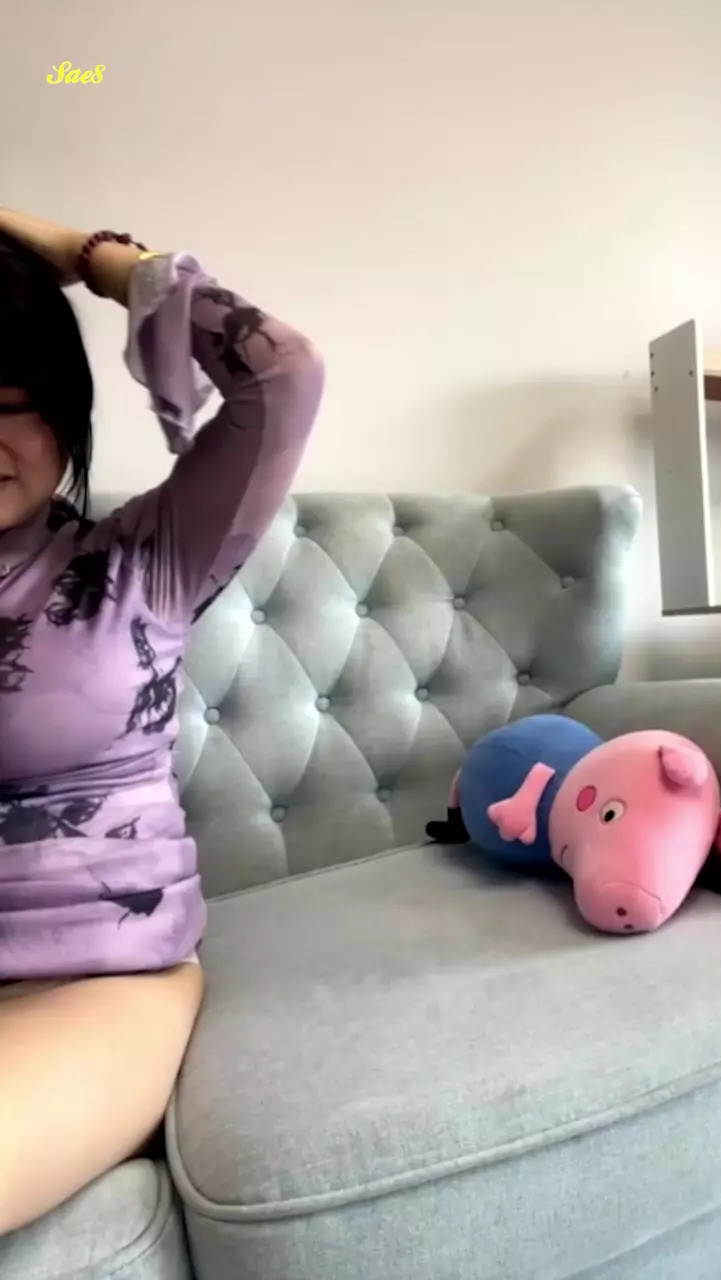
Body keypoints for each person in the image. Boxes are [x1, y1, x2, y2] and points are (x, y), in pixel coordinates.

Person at [0, 208, 324, 1234]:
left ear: (66, 417)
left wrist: (78, 253)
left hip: (92, 978)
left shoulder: (143, 560)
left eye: (14, 402)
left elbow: (283, 374)